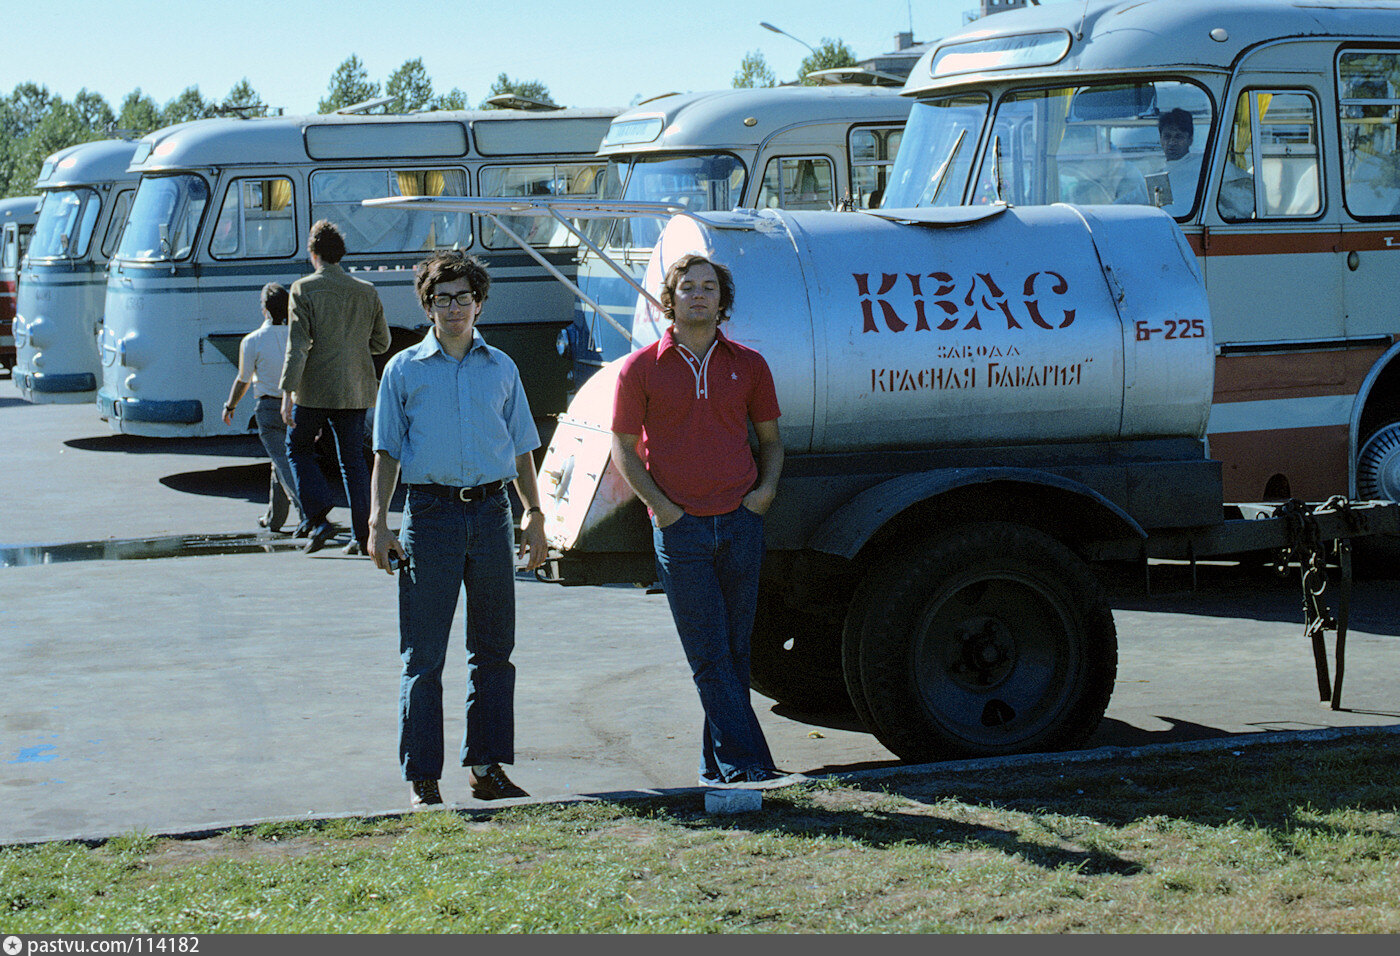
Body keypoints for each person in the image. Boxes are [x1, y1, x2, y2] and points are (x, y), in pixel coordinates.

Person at [610, 253, 803, 791]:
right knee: (708, 652)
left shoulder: (750, 364)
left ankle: (718, 767)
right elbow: (623, 449)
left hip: (740, 522)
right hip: (681, 529)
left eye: (709, 287)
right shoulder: (641, 367)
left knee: (735, 650)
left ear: (722, 300)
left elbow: (771, 442)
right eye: (687, 287)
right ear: (669, 300)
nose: (698, 295)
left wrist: (762, 495)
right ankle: (749, 767)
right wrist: (663, 510)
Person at [368, 250, 547, 809]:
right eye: (441, 298)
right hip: (431, 518)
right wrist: (378, 521)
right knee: (424, 654)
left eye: (462, 298)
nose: (452, 308)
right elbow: (386, 453)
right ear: (427, 305)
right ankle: (424, 777)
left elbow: (521, 450)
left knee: (494, 649)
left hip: (492, 515)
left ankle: (487, 768)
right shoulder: (403, 370)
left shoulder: (502, 367)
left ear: (479, 302)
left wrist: (535, 515)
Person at [280, 219, 390, 555]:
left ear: (313, 253)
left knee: (297, 448)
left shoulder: (303, 289)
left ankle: (319, 516)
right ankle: (361, 536)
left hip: (314, 390)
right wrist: (353, 349)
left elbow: (298, 345)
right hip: (355, 389)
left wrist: (287, 393)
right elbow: (382, 342)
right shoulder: (366, 290)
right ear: (340, 253)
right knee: (353, 462)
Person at [221, 283, 304, 534]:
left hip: (268, 409)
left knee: (284, 461)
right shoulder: (299, 337)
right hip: (298, 406)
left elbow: (243, 380)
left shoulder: (252, 341)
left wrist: (230, 405)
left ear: (265, 310)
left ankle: (309, 514)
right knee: (279, 462)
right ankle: (274, 517)